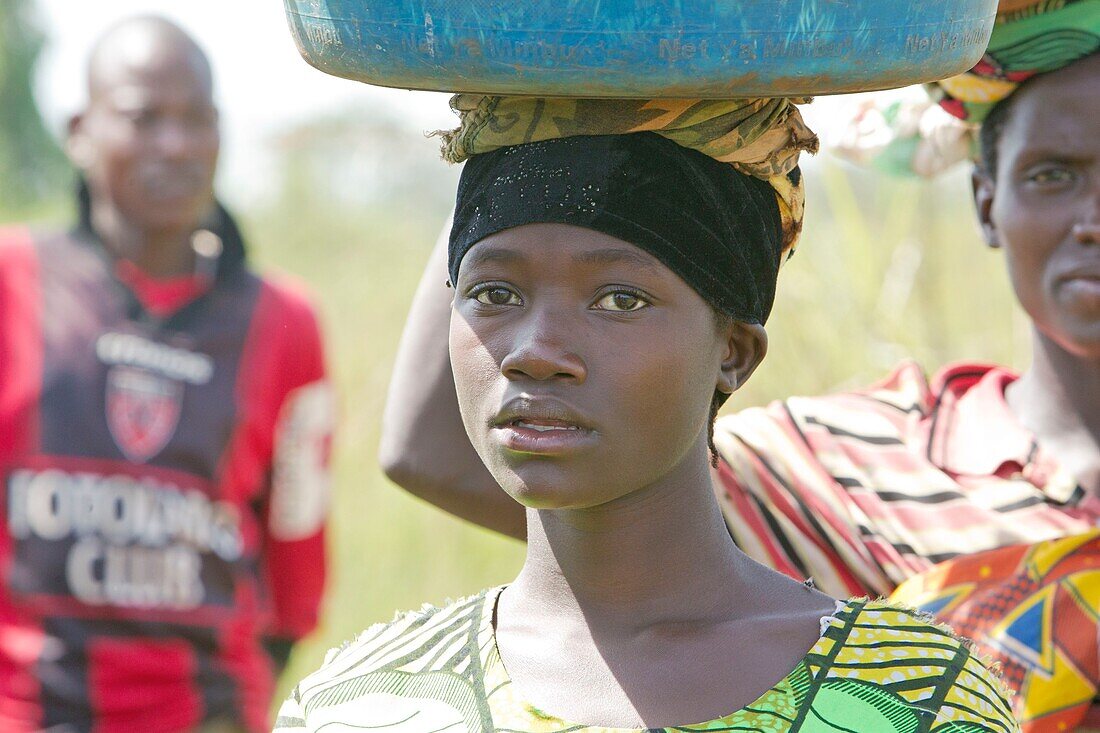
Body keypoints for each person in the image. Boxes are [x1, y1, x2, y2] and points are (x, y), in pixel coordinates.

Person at [377, 3, 1100, 729]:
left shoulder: (928, 697)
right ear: (985, 198)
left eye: (619, 298)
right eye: (1052, 174)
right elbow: (453, 449)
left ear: (737, 351)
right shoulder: (848, 472)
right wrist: (540, 108)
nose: (1093, 218)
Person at [279, 96, 1017, 733]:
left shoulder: (910, 698)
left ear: (733, 351)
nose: (535, 351)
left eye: (619, 299)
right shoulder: (369, 701)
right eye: (494, 293)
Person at [0, 16, 333, 733]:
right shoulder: (12, 281)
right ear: (79, 130)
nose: (174, 145)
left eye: (197, 120)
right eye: (143, 118)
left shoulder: (285, 323)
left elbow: (297, 562)